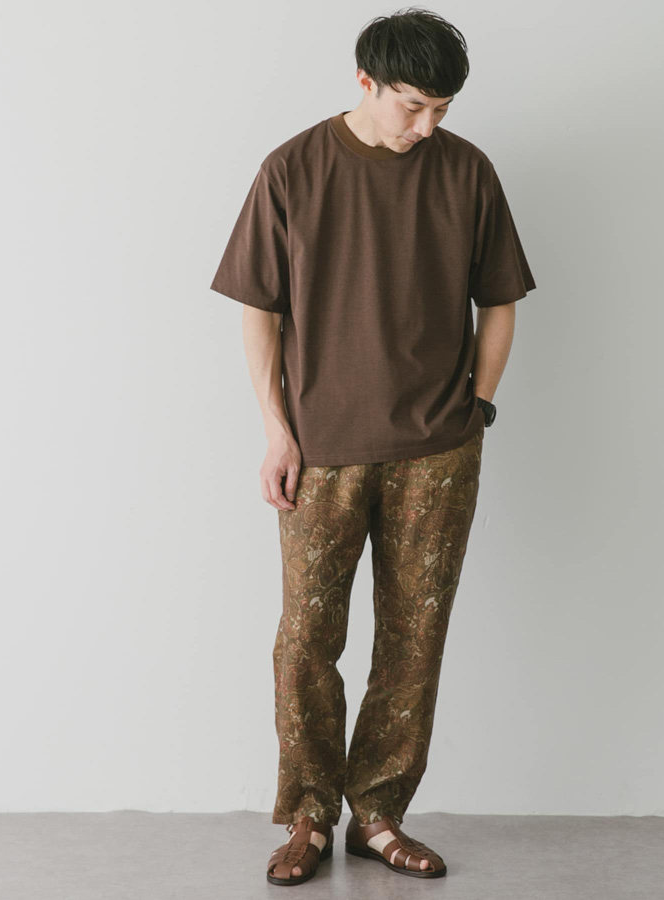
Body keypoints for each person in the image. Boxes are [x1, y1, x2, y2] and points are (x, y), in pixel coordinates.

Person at [210, 7, 536, 886]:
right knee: (306, 639)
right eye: (412, 105)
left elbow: (500, 299)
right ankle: (310, 816)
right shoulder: (293, 168)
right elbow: (259, 310)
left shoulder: (468, 171)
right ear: (366, 81)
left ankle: (380, 816)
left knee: (414, 638)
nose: (426, 125)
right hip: (322, 447)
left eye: (442, 109)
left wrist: (479, 405)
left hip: (438, 449)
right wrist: (276, 430)